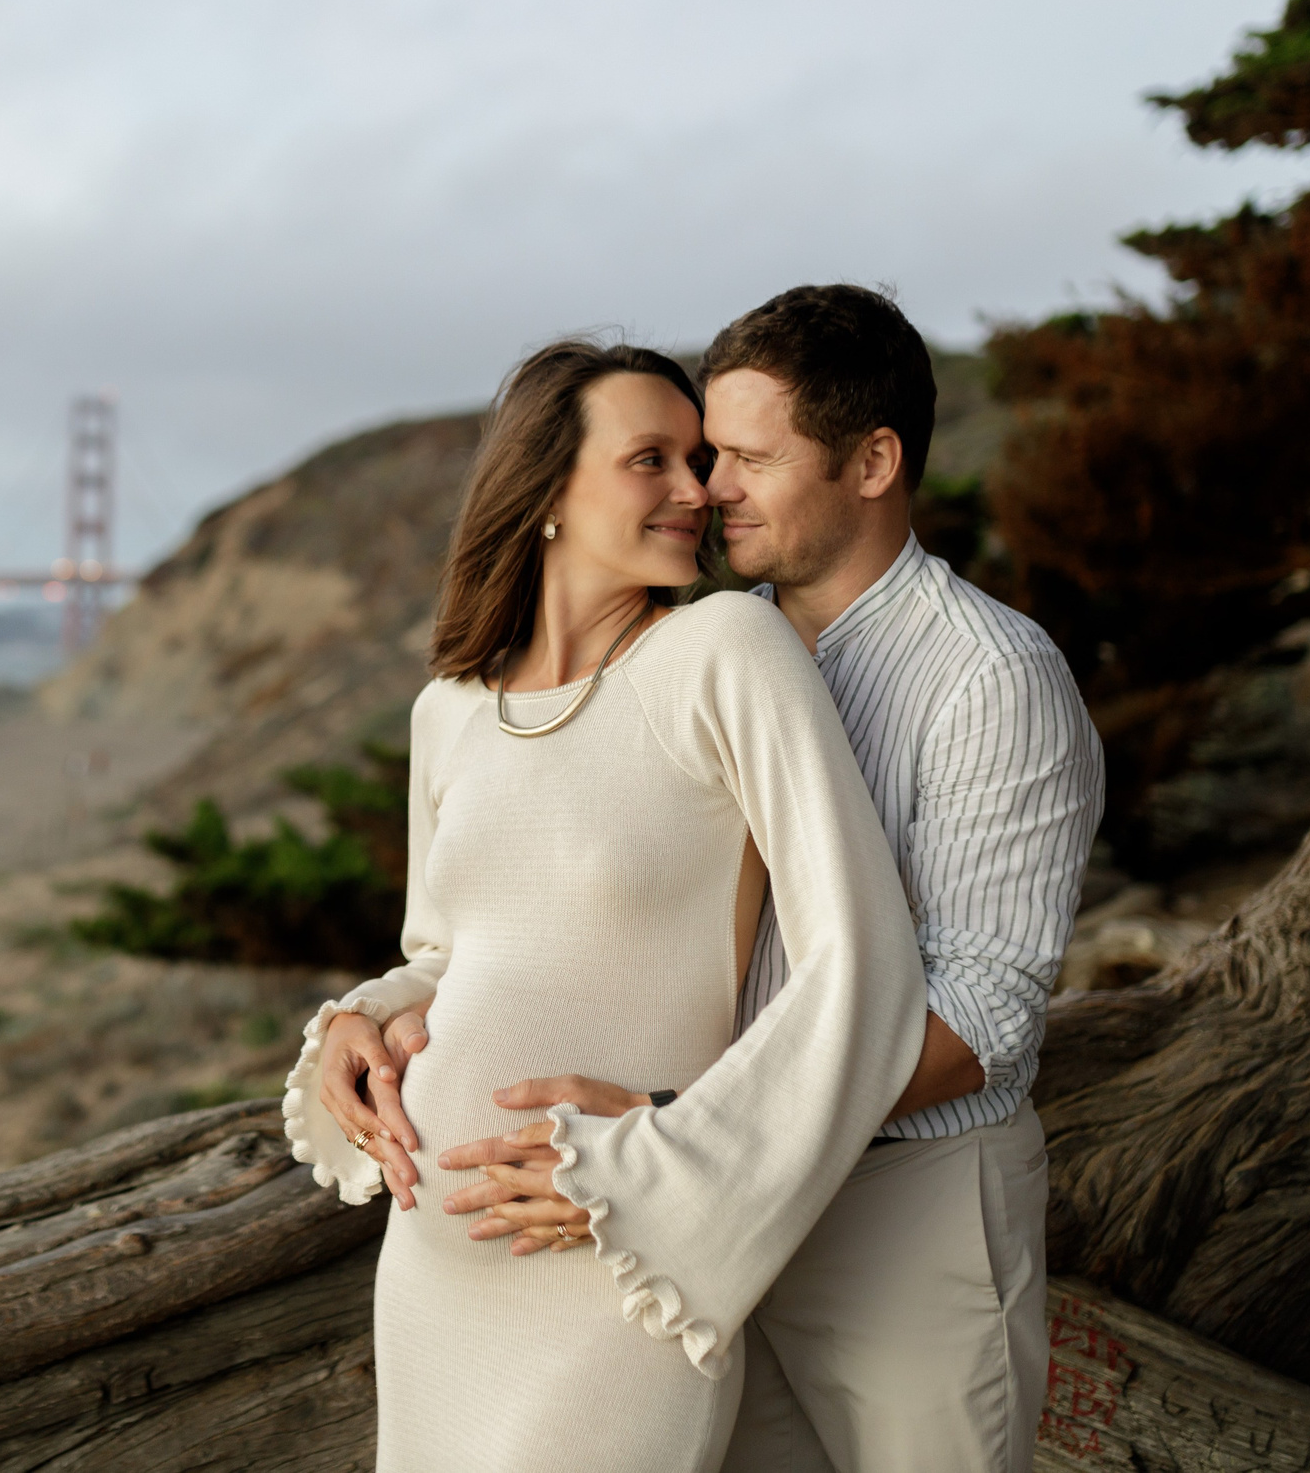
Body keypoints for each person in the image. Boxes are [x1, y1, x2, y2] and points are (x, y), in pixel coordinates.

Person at [434, 286, 1104, 1473]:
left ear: (872, 463)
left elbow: (982, 1016)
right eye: (703, 456)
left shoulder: (990, 678)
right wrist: (383, 1011)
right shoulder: (696, 652)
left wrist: (684, 1134)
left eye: (750, 458)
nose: (711, 490)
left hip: (903, 1215)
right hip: (693, 1216)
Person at [282, 337, 928, 1473]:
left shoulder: (725, 651)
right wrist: (360, 1021)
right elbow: (450, 951)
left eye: (699, 459)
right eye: (651, 460)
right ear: (545, 488)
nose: (698, 491)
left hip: (620, 1273)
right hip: (434, 1274)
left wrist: (666, 1167)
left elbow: (863, 963)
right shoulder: (451, 710)